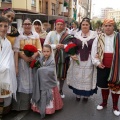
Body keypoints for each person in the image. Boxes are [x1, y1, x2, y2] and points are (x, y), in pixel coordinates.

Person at [91, 19, 120, 116]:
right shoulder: (99, 37)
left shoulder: (118, 37)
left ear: (113, 27)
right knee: (104, 86)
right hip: (102, 65)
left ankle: (115, 106)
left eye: (110, 25)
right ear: (103, 27)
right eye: (106, 25)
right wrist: (97, 63)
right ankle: (104, 102)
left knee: (116, 87)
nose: (107, 27)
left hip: (115, 67)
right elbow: (94, 51)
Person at [12, 18, 42, 111]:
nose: (27, 26)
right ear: (22, 26)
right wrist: (24, 57)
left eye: (29, 24)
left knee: (32, 82)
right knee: (22, 82)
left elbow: (39, 49)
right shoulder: (19, 36)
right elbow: (16, 50)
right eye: (25, 24)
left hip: (33, 62)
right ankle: (22, 106)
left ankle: (33, 104)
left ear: (31, 25)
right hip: (22, 63)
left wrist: (34, 56)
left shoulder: (36, 35)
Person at [67, 17, 97, 101]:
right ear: (81, 25)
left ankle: (86, 95)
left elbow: (98, 47)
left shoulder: (94, 35)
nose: (85, 26)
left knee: (87, 77)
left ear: (89, 25)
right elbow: (72, 46)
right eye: (83, 24)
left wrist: (97, 54)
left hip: (89, 59)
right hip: (78, 59)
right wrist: (72, 54)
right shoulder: (77, 35)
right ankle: (78, 94)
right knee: (78, 76)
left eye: (87, 25)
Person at [31, 44, 63, 118]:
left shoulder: (52, 60)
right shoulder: (41, 59)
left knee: (48, 95)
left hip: (49, 81)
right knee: (41, 93)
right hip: (41, 81)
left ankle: (49, 109)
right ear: (42, 51)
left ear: (51, 52)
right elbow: (38, 67)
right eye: (44, 51)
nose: (46, 53)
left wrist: (40, 70)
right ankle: (40, 108)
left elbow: (50, 70)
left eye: (48, 51)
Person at [44, 19, 73, 98]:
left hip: (63, 58)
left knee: (62, 74)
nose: (59, 26)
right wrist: (55, 46)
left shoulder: (67, 35)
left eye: (61, 24)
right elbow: (45, 44)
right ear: (55, 25)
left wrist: (63, 46)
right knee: (52, 74)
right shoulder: (50, 34)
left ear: (64, 26)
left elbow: (71, 46)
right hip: (52, 57)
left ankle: (60, 90)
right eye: (58, 24)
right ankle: (52, 91)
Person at [0, 16, 17, 119]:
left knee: (1, 97)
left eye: (5, 26)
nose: (3, 28)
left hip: (4, 74)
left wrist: (7, 68)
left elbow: (9, 61)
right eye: (0, 26)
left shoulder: (7, 43)